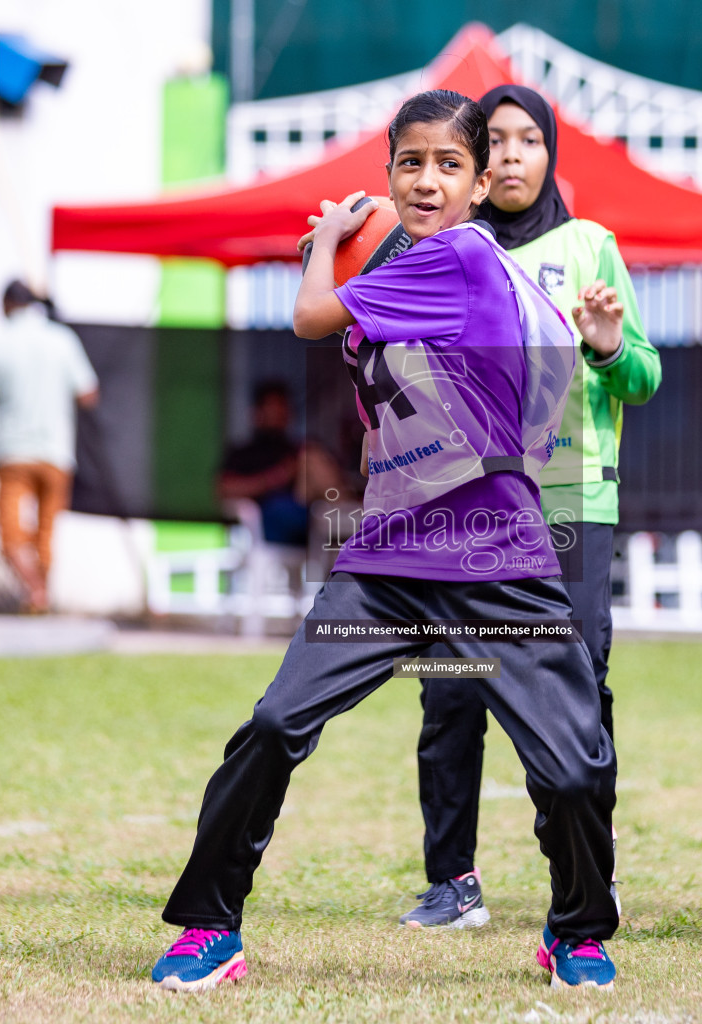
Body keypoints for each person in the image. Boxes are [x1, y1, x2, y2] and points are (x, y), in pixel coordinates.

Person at [149, 89, 620, 994]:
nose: (428, 179)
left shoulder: (460, 261)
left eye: (450, 164)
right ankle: (210, 925)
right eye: (410, 163)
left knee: (569, 770)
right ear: (391, 174)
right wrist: (347, 256)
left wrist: (328, 242)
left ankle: (577, 932)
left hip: (494, 557)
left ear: (482, 185)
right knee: (277, 723)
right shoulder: (415, 260)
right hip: (390, 559)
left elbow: (310, 316)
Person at [400, 83, 661, 929]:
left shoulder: (591, 247)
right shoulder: (444, 246)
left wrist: (609, 344)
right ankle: (453, 882)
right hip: (461, 504)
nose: (511, 156)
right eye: (496, 143)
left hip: (569, 503)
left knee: (574, 690)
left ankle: (587, 874)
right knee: (450, 689)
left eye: (528, 141)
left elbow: (646, 379)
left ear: (551, 154)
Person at [0, 281, 98, 613]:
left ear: (7, 303)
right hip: (56, 451)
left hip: (13, 452)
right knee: (46, 532)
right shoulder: (62, 340)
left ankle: (35, 591)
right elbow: (89, 394)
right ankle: (40, 593)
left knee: (10, 535)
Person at [217, 380, 345, 547]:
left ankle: (346, 513)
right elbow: (225, 488)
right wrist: (279, 476)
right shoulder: (244, 453)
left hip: (309, 508)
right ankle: (348, 516)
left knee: (312, 457)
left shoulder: (296, 448)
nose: (280, 413)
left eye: (283, 407)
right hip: (270, 515)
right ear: (258, 412)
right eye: (273, 407)